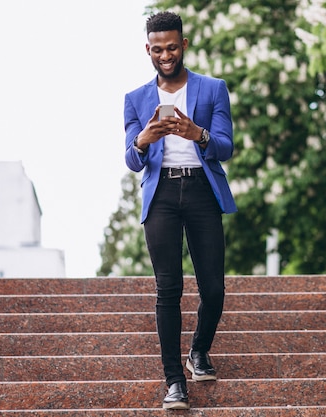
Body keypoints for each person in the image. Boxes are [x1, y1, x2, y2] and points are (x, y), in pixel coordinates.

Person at [123, 11, 237, 410]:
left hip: (203, 190)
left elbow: (226, 145)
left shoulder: (213, 89)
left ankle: (199, 351)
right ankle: (174, 381)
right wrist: (142, 140)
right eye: (157, 49)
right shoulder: (135, 99)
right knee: (167, 290)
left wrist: (199, 134)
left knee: (214, 288)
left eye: (172, 47)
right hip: (162, 197)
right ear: (148, 50)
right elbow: (132, 160)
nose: (165, 55)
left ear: (184, 44)